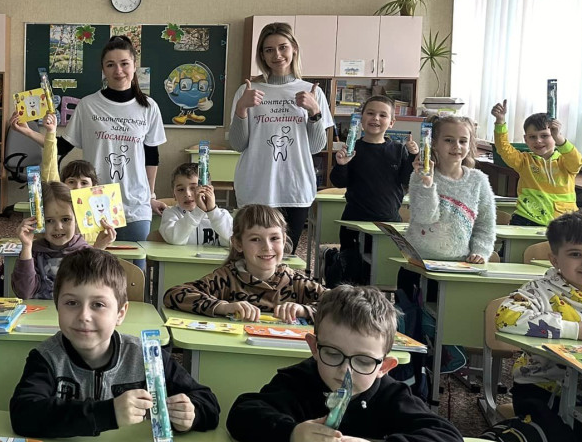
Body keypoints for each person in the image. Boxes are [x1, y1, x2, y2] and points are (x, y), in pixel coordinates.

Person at [10, 247, 220, 437]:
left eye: (98, 304)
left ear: (120, 314)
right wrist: (109, 414)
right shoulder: (47, 357)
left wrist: (192, 414)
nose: (84, 315)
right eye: (71, 303)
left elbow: (208, 402)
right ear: (58, 307)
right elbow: (24, 414)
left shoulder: (145, 356)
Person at [228, 285, 462, 442]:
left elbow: (448, 436)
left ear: (384, 366)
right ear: (314, 348)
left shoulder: (392, 395)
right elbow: (242, 413)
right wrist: (292, 432)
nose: (345, 370)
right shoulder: (298, 381)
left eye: (363, 360)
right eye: (332, 353)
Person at [496, 211, 582, 441]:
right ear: (555, 260)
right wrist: (576, 330)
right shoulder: (540, 290)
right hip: (544, 387)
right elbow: (506, 316)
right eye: (575, 254)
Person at [229, 22, 333, 249]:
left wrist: (315, 112)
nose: (277, 55)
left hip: (294, 189)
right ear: (262, 55)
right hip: (256, 187)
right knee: (253, 255)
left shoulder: (312, 92)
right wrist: (242, 109)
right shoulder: (247, 91)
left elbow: (316, 147)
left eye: (283, 47)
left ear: (294, 48)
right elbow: (238, 144)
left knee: (285, 257)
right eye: (269, 50)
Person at [59, 36, 167, 241]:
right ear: (103, 69)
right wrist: (28, 132)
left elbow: (151, 156)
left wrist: (150, 197)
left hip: (135, 207)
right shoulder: (87, 105)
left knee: (134, 268)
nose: (118, 71)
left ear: (135, 65)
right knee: (94, 270)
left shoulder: (149, 107)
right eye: (111, 65)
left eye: (124, 64)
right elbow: (62, 146)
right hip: (94, 204)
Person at [164, 204, 324, 321]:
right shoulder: (226, 278)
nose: (267, 247)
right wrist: (225, 307)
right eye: (255, 239)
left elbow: (343, 303)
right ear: (238, 244)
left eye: (274, 238)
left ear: (284, 241)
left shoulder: (295, 282)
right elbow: (174, 295)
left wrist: (303, 310)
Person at [325, 96, 419, 286]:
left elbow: (406, 180)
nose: (375, 118)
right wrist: (341, 164)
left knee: (383, 274)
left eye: (382, 115)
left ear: (391, 122)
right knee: (352, 273)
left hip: (388, 222)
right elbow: (338, 181)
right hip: (354, 221)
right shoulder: (353, 148)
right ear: (361, 118)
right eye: (370, 113)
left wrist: (413, 157)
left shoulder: (398, 150)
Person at [406, 114, 495, 265]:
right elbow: (424, 217)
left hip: (460, 263)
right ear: (433, 143)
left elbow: (485, 224)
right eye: (448, 140)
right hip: (419, 261)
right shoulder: (419, 177)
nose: (457, 146)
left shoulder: (478, 180)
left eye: (463, 141)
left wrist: (480, 251)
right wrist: (427, 184)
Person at [12, 181, 115, 300]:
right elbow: (24, 293)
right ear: (38, 221)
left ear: (76, 220)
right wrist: (26, 246)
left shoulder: (86, 251)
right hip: (39, 317)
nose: (58, 227)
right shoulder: (32, 252)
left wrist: (98, 250)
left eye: (66, 219)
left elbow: (91, 291)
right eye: (49, 220)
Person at [491, 99, 582, 226]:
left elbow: (577, 162)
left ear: (555, 136)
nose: (538, 141)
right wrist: (500, 121)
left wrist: (561, 140)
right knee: (513, 245)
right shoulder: (524, 161)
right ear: (526, 139)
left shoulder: (565, 161)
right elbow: (503, 148)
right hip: (526, 218)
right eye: (532, 137)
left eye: (544, 136)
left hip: (564, 222)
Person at [9, 111, 98, 189]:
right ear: (63, 184)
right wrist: (51, 131)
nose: (77, 187)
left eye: (84, 183)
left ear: (94, 185)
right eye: (71, 182)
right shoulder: (60, 199)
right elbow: (50, 165)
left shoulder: (100, 205)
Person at [159, 162, 233, 247]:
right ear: (174, 194)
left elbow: (233, 240)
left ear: (209, 191)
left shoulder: (221, 215)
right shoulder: (171, 213)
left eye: (194, 188)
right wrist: (197, 212)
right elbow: (174, 239)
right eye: (180, 189)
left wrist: (212, 211)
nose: (187, 194)